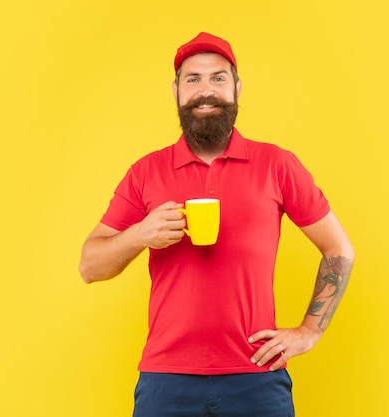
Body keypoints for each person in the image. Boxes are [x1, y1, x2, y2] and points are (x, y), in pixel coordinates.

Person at [79, 32, 355, 417]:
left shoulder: (277, 164)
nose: (205, 90)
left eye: (217, 78)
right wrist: (142, 233)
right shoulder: (146, 171)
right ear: (176, 91)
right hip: (165, 379)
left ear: (237, 89)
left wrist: (309, 332)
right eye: (193, 79)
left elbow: (339, 249)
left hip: (257, 376)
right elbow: (90, 267)